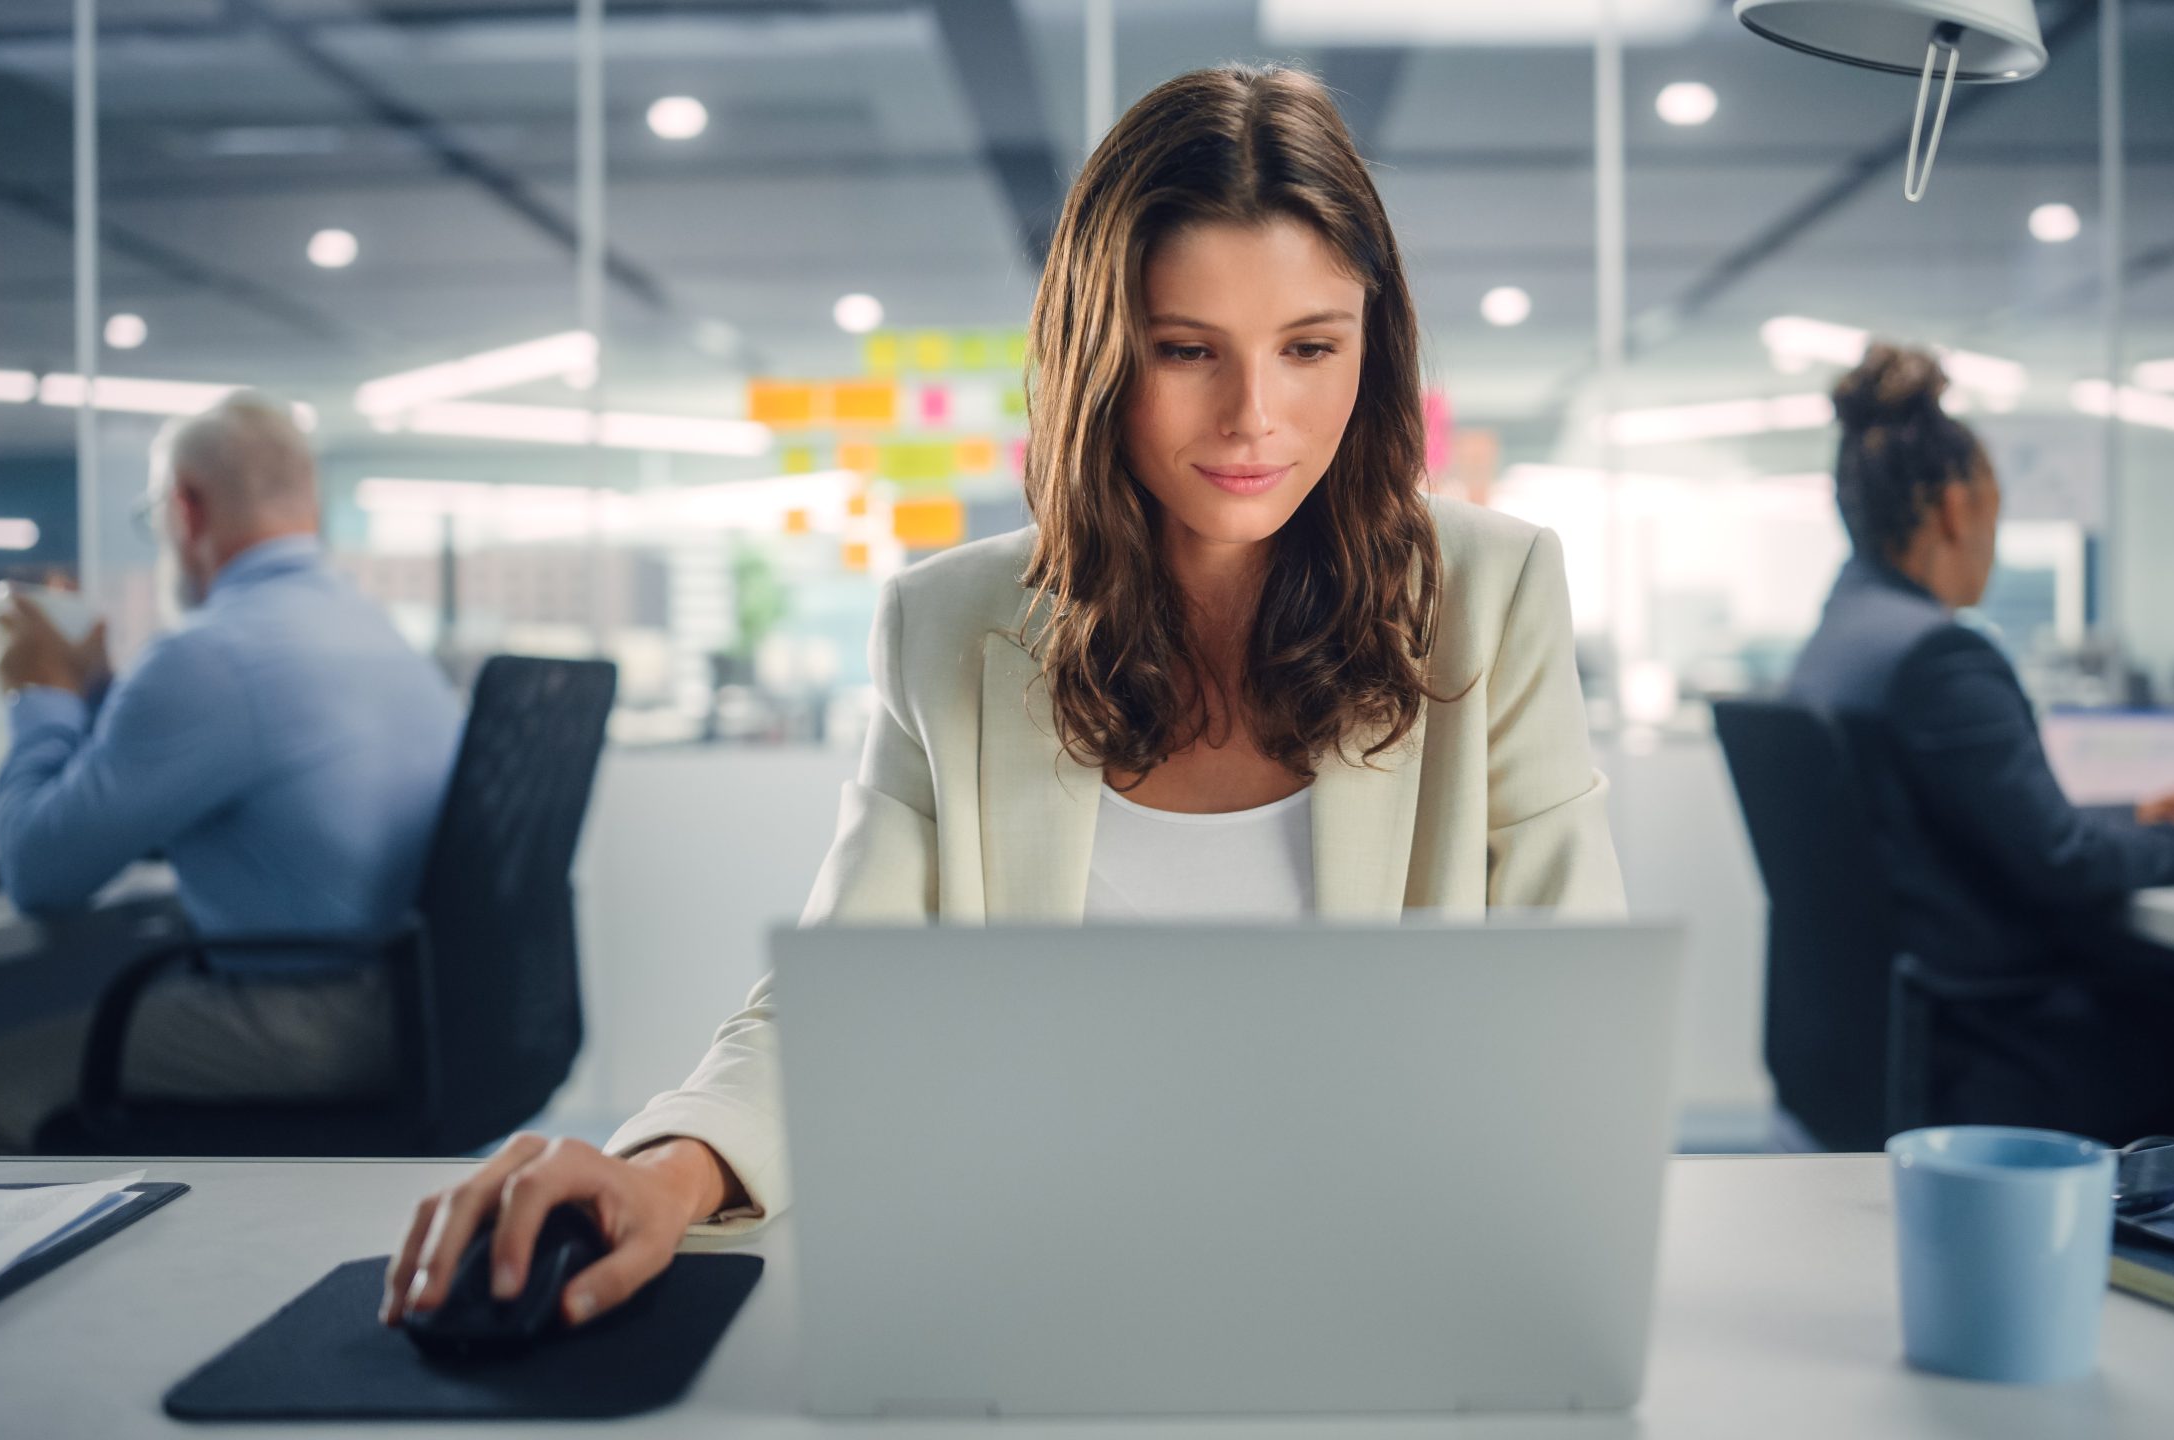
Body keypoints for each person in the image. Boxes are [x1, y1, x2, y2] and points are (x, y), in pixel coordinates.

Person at [380, 64, 1625, 1334]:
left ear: (1376, 342)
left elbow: (1575, 1015)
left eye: (1311, 347)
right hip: (1041, 1286)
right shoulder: (950, 624)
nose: (1257, 416)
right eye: (1185, 351)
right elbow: (839, 996)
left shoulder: (1490, 589)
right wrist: (665, 1169)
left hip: (1378, 1281)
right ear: (1096, 356)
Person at [1785, 343, 2174, 1143]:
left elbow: (1979, 829)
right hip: (1995, 1042)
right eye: (1997, 509)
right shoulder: (1937, 654)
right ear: (1958, 508)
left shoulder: (1839, 639)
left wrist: (2137, 815)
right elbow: (2066, 864)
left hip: (1894, 1030)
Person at [0, 391, 464, 1155]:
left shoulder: (207, 657)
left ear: (185, 509)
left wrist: (37, 691)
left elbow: (36, 870)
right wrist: (100, 697)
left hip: (309, 1022)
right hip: (420, 1005)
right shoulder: (374, 629)